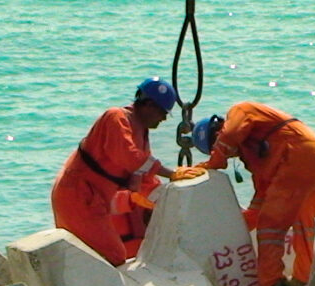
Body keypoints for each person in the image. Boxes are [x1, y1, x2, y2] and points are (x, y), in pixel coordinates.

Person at [191, 102, 315, 286]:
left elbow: (231, 133)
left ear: (218, 129)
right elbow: (260, 202)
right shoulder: (255, 156)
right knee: (302, 218)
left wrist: (214, 162)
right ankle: (304, 276)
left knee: (271, 225)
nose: (228, 152)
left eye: (217, 143)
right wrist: (231, 228)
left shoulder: (240, 111)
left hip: (298, 157)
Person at [50, 78, 204, 266]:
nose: (163, 119)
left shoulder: (141, 133)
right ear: (147, 104)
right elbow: (129, 156)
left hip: (94, 198)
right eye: (162, 113)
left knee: (88, 255)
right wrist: (170, 173)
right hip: (77, 194)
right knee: (112, 255)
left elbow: (145, 177)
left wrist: (171, 201)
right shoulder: (115, 117)